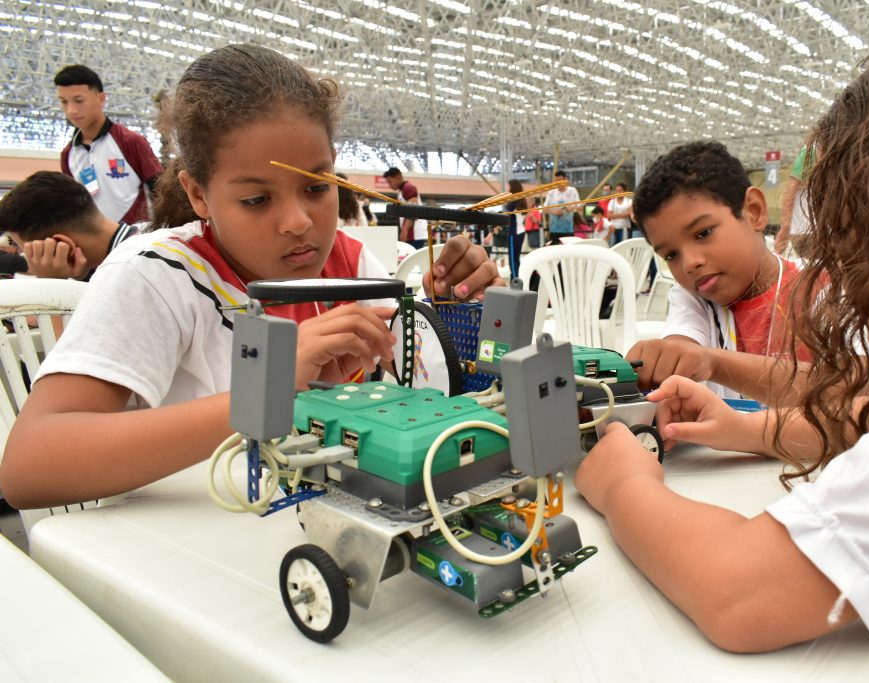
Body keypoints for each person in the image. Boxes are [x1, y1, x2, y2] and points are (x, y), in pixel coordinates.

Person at [576, 8, 869, 668]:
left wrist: (622, 485)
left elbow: (738, 589)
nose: (843, 268)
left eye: (852, 238)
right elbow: (864, 398)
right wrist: (738, 416)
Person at [0, 44, 501, 510]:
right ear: (199, 195)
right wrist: (267, 390)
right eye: (257, 199)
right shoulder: (154, 276)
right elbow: (29, 467)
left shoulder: (348, 264)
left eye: (317, 187)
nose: (299, 222)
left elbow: (424, 385)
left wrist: (452, 312)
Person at [625, 141, 808, 398]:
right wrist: (665, 359)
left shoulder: (821, 285)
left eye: (703, 233)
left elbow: (849, 384)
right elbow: (681, 342)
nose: (689, 263)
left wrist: (711, 362)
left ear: (754, 211)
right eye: (671, 255)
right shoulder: (695, 299)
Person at [54, 64, 162, 225]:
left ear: (101, 98)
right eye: (64, 102)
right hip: (93, 237)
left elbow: (159, 189)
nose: (71, 110)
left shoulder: (130, 142)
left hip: (136, 235)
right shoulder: (68, 155)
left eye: (79, 100)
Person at [0, 171, 139, 280]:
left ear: (62, 245)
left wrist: (51, 282)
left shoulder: (126, 276)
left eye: (28, 252)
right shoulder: (138, 244)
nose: (27, 258)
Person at [774, 146, 813, 258]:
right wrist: (785, 229)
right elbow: (791, 188)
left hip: (812, 230)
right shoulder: (812, 149)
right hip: (807, 231)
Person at [382, 167, 427, 249]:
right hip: (412, 232)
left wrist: (405, 230)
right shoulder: (402, 190)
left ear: (398, 177)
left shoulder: (408, 188)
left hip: (414, 233)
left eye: (390, 182)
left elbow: (413, 210)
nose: (389, 185)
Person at [543, 170, 579, 242]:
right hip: (554, 230)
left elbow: (578, 205)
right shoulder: (551, 193)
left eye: (560, 180)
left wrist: (564, 210)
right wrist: (555, 212)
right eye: (556, 181)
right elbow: (544, 209)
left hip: (568, 229)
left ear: (565, 179)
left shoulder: (572, 191)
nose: (558, 183)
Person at [502, 179, 528, 276]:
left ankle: (515, 279)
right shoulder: (520, 199)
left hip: (514, 232)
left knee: (513, 259)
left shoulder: (513, 200)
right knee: (515, 259)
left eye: (508, 186)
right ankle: (516, 277)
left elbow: (507, 213)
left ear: (512, 187)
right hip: (520, 232)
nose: (506, 188)